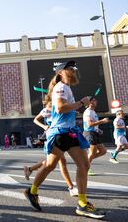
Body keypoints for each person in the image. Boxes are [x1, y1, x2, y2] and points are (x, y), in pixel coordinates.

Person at [23, 61, 105, 219]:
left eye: (73, 68)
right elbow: (60, 108)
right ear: (60, 73)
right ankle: (32, 192)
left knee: (83, 165)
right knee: (49, 165)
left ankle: (82, 203)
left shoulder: (66, 88)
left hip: (70, 132)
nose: (73, 71)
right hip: (60, 133)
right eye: (69, 69)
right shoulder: (60, 87)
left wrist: (78, 107)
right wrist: (82, 103)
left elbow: (65, 109)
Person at [24, 101, 78, 197]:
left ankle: (30, 169)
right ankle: (71, 187)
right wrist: (44, 126)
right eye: (49, 102)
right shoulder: (46, 110)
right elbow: (35, 119)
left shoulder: (57, 108)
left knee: (51, 162)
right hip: (52, 137)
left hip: (61, 135)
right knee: (61, 162)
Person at [83, 97, 110, 174]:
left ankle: (85, 162)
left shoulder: (93, 111)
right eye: (94, 100)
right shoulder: (88, 112)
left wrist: (98, 129)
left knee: (103, 151)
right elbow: (89, 124)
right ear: (90, 102)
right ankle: (85, 168)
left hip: (94, 132)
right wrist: (102, 121)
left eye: (95, 100)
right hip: (89, 133)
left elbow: (93, 124)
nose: (96, 101)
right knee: (92, 153)